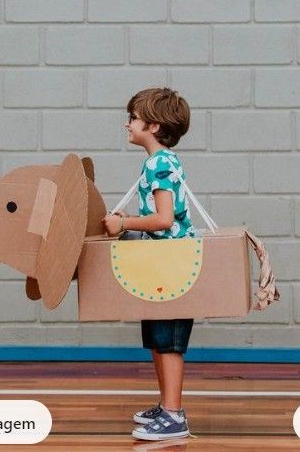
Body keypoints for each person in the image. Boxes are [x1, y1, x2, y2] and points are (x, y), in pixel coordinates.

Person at [102, 87, 197, 441]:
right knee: (158, 338)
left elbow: (163, 220)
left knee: (169, 340)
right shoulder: (160, 161)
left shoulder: (159, 163)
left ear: (153, 126)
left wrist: (124, 224)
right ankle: (167, 405)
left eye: (133, 118)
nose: (127, 124)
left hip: (171, 266)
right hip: (161, 265)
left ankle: (175, 416)